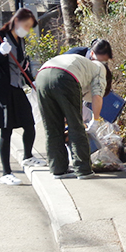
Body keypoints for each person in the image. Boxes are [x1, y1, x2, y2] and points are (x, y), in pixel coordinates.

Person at [0, 8, 45, 185]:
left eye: (29, 27)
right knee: (6, 130)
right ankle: (6, 173)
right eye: (26, 25)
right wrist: (0, 53)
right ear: (16, 21)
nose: (27, 29)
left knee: (29, 123)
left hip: (17, 87)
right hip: (2, 90)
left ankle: (28, 156)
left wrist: (32, 82)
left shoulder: (20, 40)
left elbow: (22, 65)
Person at [36, 50, 107, 179]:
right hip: (65, 77)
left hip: (42, 77)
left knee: (52, 127)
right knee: (76, 125)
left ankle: (58, 169)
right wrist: (95, 120)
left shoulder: (82, 65)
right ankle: (83, 170)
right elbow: (97, 95)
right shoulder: (100, 68)